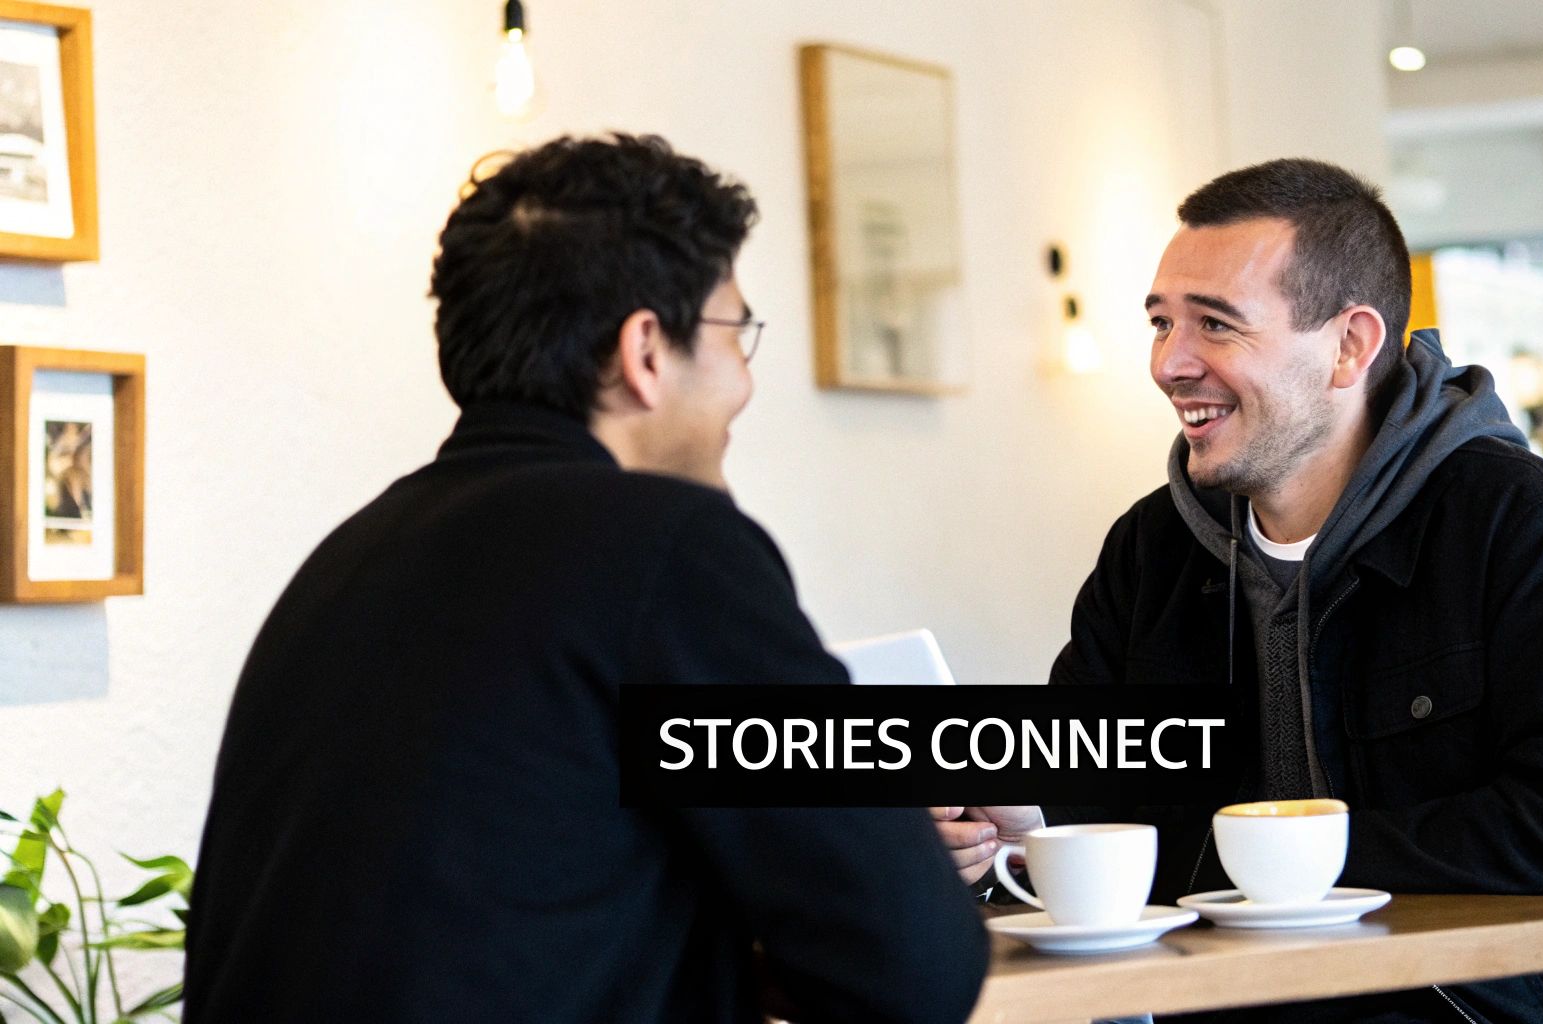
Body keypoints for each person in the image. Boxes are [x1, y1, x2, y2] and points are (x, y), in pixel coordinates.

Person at [185, 134, 988, 1024]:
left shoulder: (344, 564)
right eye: (736, 335)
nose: (744, 384)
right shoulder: (667, 547)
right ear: (646, 350)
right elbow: (918, 966)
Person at [934, 159, 1543, 1022]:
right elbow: (1096, 796)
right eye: (1162, 323)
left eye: (1216, 325)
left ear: (1349, 346)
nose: (1171, 363)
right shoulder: (1149, 549)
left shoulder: (1516, 521)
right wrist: (1025, 830)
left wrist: (1261, 858)